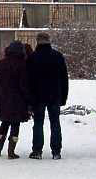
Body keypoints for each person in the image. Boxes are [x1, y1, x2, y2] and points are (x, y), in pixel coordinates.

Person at [27, 32, 68, 160]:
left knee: (38, 123)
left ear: (37, 41)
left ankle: (37, 150)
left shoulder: (32, 57)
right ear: (49, 41)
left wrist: (29, 99)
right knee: (55, 122)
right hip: (55, 95)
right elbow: (64, 78)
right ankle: (56, 151)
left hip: (37, 96)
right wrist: (63, 97)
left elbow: (28, 80)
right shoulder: (58, 56)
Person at [0, 41, 31, 159]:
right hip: (18, 99)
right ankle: (11, 151)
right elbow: (24, 85)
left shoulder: (1, 63)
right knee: (15, 124)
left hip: (3, 97)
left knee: (4, 122)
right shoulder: (23, 65)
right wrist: (28, 100)